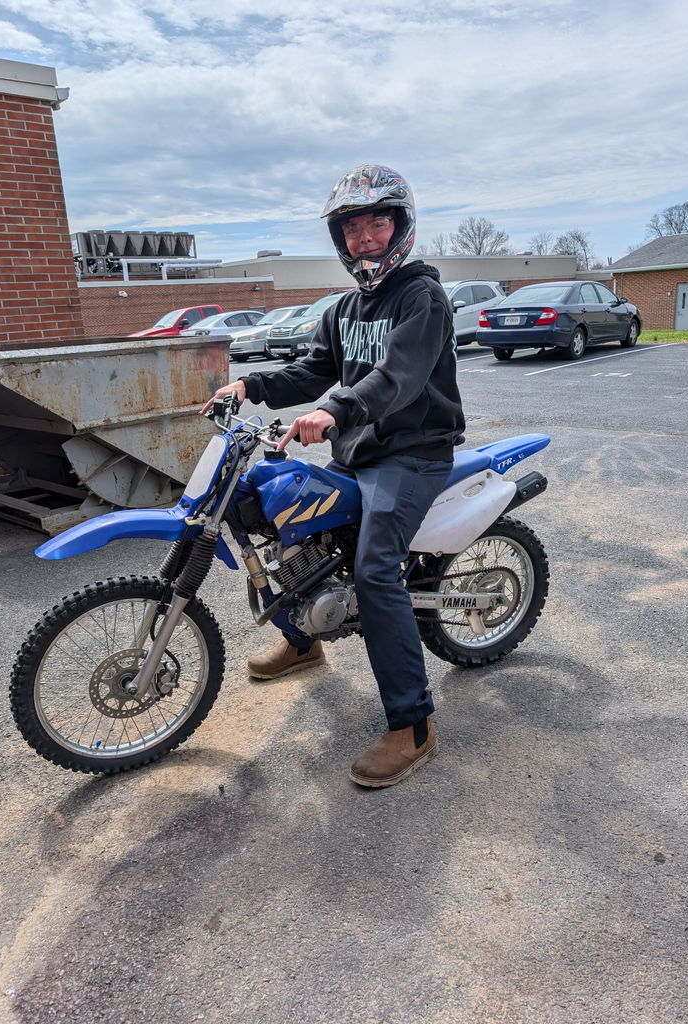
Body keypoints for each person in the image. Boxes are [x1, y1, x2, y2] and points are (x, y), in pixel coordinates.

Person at [203, 163, 465, 787]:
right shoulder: (344, 308)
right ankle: (303, 638)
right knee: (272, 517)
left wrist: (334, 411)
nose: (365, 237)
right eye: (352, 226)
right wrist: (250, 384)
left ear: (399, 225)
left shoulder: (421, 298)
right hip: (359, 453)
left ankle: (414, 724)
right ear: (339, 237)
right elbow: (310, 369)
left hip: (414, 454)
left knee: (375, 571)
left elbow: (396, 376)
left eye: (377, 221)